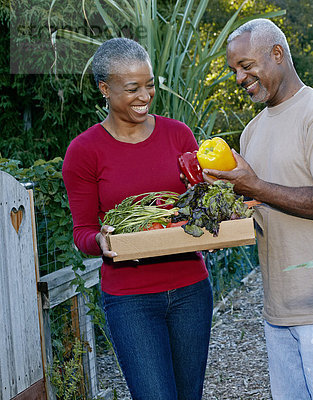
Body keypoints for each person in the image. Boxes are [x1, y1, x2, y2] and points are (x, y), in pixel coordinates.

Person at [203, 19, 313, 399]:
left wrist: (255, 185)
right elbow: (261, 207)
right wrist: (221, 213)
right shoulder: (252, 130)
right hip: (279, 307)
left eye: (246, 65)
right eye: (233, 70)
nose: (239, 77)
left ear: (276, 54)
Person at [62, 37, 213, 400]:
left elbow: (199, 203)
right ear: (105, 89)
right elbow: (82, 231)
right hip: (130, 299)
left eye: (149, 85)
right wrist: (100, 241)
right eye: (132, 88)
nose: (144, 95)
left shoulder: (178, 135)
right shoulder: (84, 152)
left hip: (191, 289)